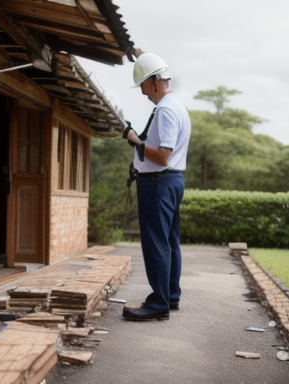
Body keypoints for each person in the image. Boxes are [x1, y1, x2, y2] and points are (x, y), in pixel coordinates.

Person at [121, 53, 191, 321]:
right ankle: (169, 296)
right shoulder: (177, 107)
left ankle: (159, 303)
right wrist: (139, 141)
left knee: (157, 244)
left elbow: (163, 155)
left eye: (142, 86)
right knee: (169, 242)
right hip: (171, 182)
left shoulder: (165, 110)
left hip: (158, 184)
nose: (143, 93)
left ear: (153, 82)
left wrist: (134, 142)